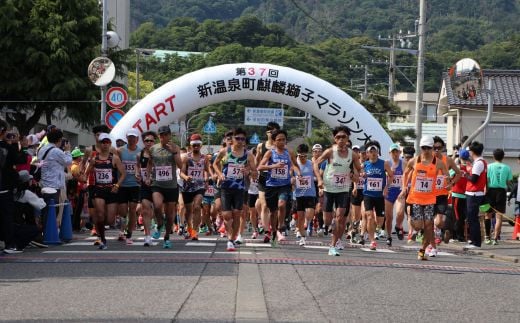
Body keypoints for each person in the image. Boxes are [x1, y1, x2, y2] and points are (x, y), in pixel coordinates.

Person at [314, 126, 361, 256]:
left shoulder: (353, 154)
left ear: (347, 138)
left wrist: (355, 177)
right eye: (338, 137)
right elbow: (315, 164)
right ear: (335, 139)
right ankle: (326, 226)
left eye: (343, 137)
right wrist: (319, 179)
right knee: (328, 220)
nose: (341, 139)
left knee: (340, 217)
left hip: (344, 189)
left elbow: (359, 172)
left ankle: (333, 246)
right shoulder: (330, 152)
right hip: (329, 188)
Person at [400, 135, 448, 260]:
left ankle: (422, 250)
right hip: (416, 197)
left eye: (428, 148)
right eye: (423, 148)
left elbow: (447, 175)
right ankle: (411, 220)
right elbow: (405, 173)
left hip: (429, 199)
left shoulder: (438, 163)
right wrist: (404, 187)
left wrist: (449, 183)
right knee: (418, 225)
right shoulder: (415, 161)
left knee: (429, 225)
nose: (426, 150)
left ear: (432, 148)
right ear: (420, 148)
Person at [213, 128, 257, 251]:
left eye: (242, 139)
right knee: (227, 215)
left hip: (239, 188)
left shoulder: (248, 155)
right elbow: (215, 164)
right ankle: (229, 236)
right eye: (237, 138)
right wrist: (219, 174)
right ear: (232, 139)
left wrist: (248, 171)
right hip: (226, 187)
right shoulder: (225, 152)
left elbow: (255, 173)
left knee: (237, 214)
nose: (240, 141)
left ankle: (231, 240)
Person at [84, 133, 126, 249]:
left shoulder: (114, 158)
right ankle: (102, 239)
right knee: (100, 214)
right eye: (103, 142)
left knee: (110, 220)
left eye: (107, 142)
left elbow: (123, 174)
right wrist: (80, 177)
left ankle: (100, 227)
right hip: (98, 190)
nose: (105, 144)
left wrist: (117, 185)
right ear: (100, 144)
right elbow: (86, 174)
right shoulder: (94, 159)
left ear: (110, 144)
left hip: (111, 191)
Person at [258, 129, 300, 245]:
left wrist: (298, 174)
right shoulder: (270, 153)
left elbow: (295, 166)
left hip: (284, 184)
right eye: (279, 140)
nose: (282, 142)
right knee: (272, 212)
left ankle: (281, 224)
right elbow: (260, 167)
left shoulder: (289, 152)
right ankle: (274, 230)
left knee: (282, 204)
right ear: (274, 141)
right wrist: (274, 166)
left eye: (283, 139)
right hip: (271, 185)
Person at [145, 125, 183, 249]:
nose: (163, 137)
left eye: (166, 135)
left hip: (171, 185)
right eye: (161, 135)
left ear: (169, 135)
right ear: (158, 136)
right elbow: (150, 163)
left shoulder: (175, 147)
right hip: (157, 183)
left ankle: (166, 237)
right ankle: (160, 223)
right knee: (157, 205)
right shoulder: (153, 149)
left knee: (170, 213)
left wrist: (174, 153)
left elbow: (180, 165)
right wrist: (147, 176)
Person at [37, 128, 72, 233]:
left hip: (44, 182)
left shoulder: (42, 149)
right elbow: (68, 162)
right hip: (54, 184)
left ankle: (46, 231)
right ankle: (49, 233)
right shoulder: (56, 151)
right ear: (59, 140)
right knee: (52, 209)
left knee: (47, 209)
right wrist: (67, 150)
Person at [1, 120, 27, 254]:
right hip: (4, 187)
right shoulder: (7, 147)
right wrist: (18, 144)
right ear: (3, 132)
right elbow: (21, 159)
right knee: (7, 217)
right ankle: (9, 245)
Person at [361, 141, 393, 250]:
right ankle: (372, 241)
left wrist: (386, 188)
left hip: (380, 195)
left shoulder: (384, 163)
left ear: (378, 153)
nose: (373, 153)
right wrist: (362, 175)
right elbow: (356, 174)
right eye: (371, 151)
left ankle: (377, 228)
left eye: (375, 151)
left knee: (379, 221)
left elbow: (391, 176)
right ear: (367, 154)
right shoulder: (364, 165)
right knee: (369, 217)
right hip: (368, 194)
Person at [180, 133, 211, 241]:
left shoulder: (205, 158)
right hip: (188, 186)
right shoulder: (185, 157)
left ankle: (195, 231)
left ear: (201, 145)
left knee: (197, 206)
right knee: (189, 211)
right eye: (194, 145)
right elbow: (181, 173)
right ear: (191, 145)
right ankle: (190, 230)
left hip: (200, 185)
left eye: (198, 144)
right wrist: (186, 177)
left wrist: (207, 179)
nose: (196, 147)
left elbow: (206, 170)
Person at [117, 129, 142, 245]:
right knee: (123, 211)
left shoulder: (140, 152)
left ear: (137, 139)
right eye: (130, 137)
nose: (132, 139)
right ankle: (122, 229)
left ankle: (129, 234)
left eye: (134, 137)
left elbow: (144, 167)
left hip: (134, 185)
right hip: (122, 185)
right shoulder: (120, 151)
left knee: (132, 210)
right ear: (127, 138)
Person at [256, 122, 280, 242]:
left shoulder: (280, 148)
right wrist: (254, 173)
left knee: (275, 208)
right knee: (264, 205)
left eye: (274, 130)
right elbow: (257, 161)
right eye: (269, 130)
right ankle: (267, 231)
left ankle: (275, 228)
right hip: (263, 178)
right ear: (266, 132)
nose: (271, 132)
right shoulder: (261, 146)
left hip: (276, 180)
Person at [484, 148, 512, 245]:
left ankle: (487, 237)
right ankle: (495, 238)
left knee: (487, 215)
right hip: (501, 192)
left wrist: (486, 190)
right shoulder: (507, 168)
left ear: (493, 156)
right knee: (499, 216)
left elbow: (486, 180)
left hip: (490, 191)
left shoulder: (489, 166)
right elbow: (509, 182)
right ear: (503, 157)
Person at [293, 144, 319, 246]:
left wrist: (319, 180)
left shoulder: (311, 164)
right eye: (300, 156)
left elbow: (317, 174)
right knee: (300, 216)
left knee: (309, 212)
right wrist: (293, 180)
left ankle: (306, 223)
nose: (302, 158)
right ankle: (302, 237)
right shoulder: (295, 164)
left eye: (304, 156)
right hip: (298, 194)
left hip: (310, 193)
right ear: (297, 155)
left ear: (307, 155)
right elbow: (290, 175)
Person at [135, 131, 157, 246]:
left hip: (158, 186)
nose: (149, 142)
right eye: (146, 140)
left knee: (158, 209)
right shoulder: (140, 154)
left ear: (155, 142)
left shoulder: (159, 154)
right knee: (145, 210)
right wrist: (137, 174)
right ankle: (147, 236)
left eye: (151, 140)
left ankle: (158, 225)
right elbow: (138, 166)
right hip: (145, 185)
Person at [464, 141, 487, 249]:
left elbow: (474, 179)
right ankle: (474, 240)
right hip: (475, 193)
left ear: (472, 152)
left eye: (469, 151)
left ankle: (476, 242)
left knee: (473, 218)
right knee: (472, 217)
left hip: (474, 193)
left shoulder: (478, 163)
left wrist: (465, 174)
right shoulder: (481, 162)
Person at [451, 148, 470, 242]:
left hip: (457, 194)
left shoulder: (456, 167)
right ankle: (461, 235)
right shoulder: (470, 168)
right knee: (463, 216)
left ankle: (456, 236)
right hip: (467, 195)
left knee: (457, 216)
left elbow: (449, 176)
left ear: (460, 156)